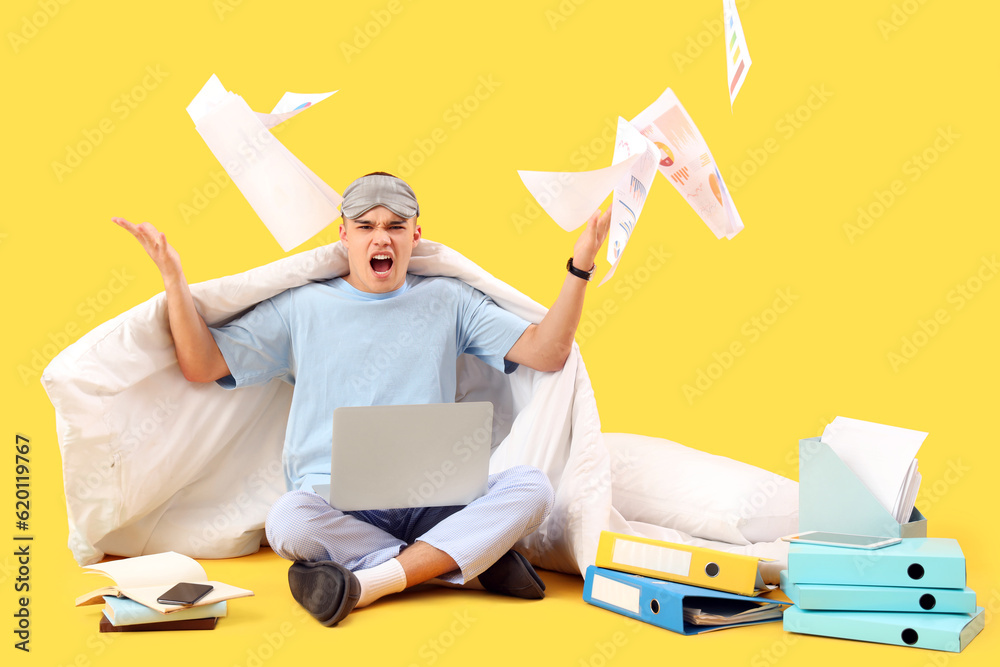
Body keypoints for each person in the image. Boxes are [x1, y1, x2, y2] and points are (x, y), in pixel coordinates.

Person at [114, 172, 611, 626]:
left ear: (415, 235)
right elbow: (202, 365)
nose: (382, 237)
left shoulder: (449, 300)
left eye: (396, 225)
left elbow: (547, 352)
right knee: (287, 521)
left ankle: (371, 581)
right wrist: (174, 280)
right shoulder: (301, 308)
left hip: (436, 501)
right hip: (337, 505)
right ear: (344, 235)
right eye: (367, 225)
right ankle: (454, 564)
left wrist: (581, 265)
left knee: (533, 488)